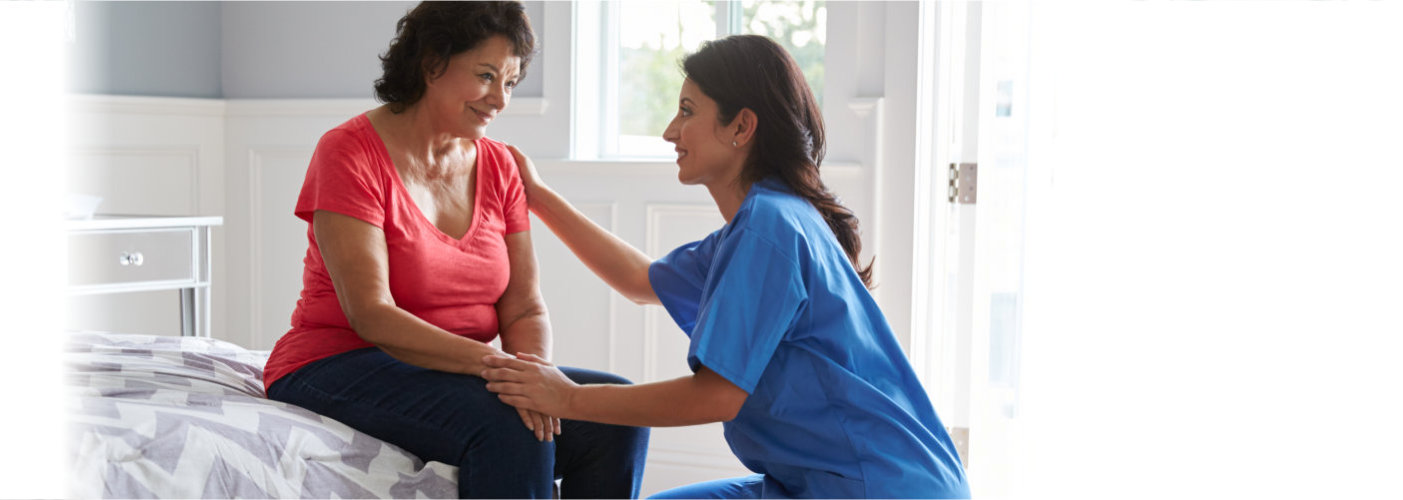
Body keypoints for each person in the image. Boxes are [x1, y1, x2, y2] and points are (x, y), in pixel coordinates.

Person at [482, 35, 971, 499]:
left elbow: (715, 396)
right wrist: (538, 196)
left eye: (688, 111)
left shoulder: (769, 228)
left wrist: (567, 399)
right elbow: (638, 280)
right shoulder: (764, 221)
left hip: (876, 487)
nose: (670, 131)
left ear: (741, 127)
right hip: (830, 481)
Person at [261, 2, 648, 498]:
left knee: (617, 412)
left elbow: (524, 305)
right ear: (432, 63)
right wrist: (502, 372)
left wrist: (535, 376)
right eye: (486, 76)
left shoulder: (500, 165)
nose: (501, 100)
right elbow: (371, 314)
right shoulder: (348, 152)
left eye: (510, 82)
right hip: (337, 362)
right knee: (506, 421)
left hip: (452, 370)